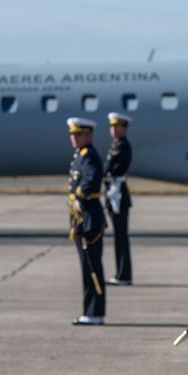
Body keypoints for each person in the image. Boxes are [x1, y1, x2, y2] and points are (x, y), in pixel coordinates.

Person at [67, 117, 107, 326]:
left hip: (90, 217)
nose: (74, 138)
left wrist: (79, 196)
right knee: (86, 265)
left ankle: (94, 312)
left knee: (91, 265)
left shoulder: (90, 156)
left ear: (88, 135)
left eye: (78, 134)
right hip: (82, 217)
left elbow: (91, 180)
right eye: (72, 134)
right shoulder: (80, 156)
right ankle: (89, 311)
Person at [104, 112, 134, 285]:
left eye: (117, 126)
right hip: (113, 191)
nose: (114, 130)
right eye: (112, 126)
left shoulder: (122, 146)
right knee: (118, 236)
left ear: (125, 128)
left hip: (118, 193)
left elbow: (110, 168)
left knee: (121, 236)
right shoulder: (116, 145)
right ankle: (121, 273)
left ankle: (123, 275)